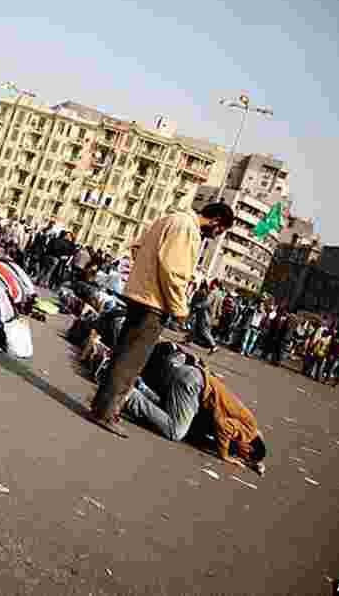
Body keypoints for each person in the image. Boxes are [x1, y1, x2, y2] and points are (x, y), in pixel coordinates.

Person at [90, 202, 235, 438]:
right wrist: (179, 308)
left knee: (123, 353)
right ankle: (106, 412)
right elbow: (173, 271)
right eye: (222, 231)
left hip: (139, 295)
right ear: (217, 220)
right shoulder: (187, 228)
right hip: (154, 303)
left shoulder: (169, 219)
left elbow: (137, 248)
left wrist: (144, 274)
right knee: (131, 361)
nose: (217, 235)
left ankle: (102, 405)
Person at [123, 342, 267, 472]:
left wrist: (254, 462)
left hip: (192, 378)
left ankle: (140, 388)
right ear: (249, 448)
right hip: (193, 385)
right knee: (175, 431)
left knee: (171, 415)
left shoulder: (251, 429)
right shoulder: (248, 433)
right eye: (243, 456)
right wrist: (224, 455)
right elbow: (223, 426)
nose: (239, 455)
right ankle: (131, 396)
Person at [188, 281, 218, 353]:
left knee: (204, 330)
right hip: (209, 315)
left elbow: (206, 303)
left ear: (214, 284)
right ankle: (188, 339)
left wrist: (198, 305)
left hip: (205, 315)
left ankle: (214, 345)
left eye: (211, 283)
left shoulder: (212, 293)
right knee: (197, 328)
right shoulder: (217, 294)